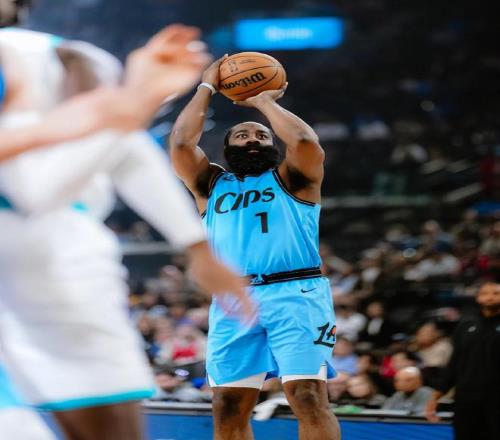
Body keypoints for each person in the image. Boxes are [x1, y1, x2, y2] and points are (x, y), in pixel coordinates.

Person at [0, 11, 253, 440]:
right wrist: (134, 102)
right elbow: (36, 192)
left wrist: (196, 245)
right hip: (48, 251)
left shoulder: (57, 57)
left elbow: (126, 145)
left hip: (49, 249)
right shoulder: (48, 60)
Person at [170, 57, 340, 440]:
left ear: (273, 144)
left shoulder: (295, 178)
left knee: (308, 396)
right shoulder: (210, 184)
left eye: (262, 136)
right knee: (227, 407)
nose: (252, 140)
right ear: (227, 147)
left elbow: (304, 141)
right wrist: (206, 86)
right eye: (242, 135)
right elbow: (181, 143)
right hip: (234, 300)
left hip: (296, 293)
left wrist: (263, 101)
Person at [426, 282, 500, 440]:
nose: (490, 297)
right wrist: (436, 396)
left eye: (496, 293)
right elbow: (454, 363)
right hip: (466, 397)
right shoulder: (466, 325)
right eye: (485, 293)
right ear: (478, 298)